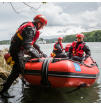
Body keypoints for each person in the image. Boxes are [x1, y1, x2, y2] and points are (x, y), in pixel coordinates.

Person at [0, 15, 47, 98]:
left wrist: (40, 52)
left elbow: (33, 44)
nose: (42, 27)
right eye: (42, 25)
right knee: (16, 70)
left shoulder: (30, 27)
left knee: (17, 68)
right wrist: (38, 55)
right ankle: (4, 91)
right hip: (16, 49)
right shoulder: (30, 28)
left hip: (17, 49)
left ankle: (6, 84)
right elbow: (27, 46)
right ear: (38, 23)